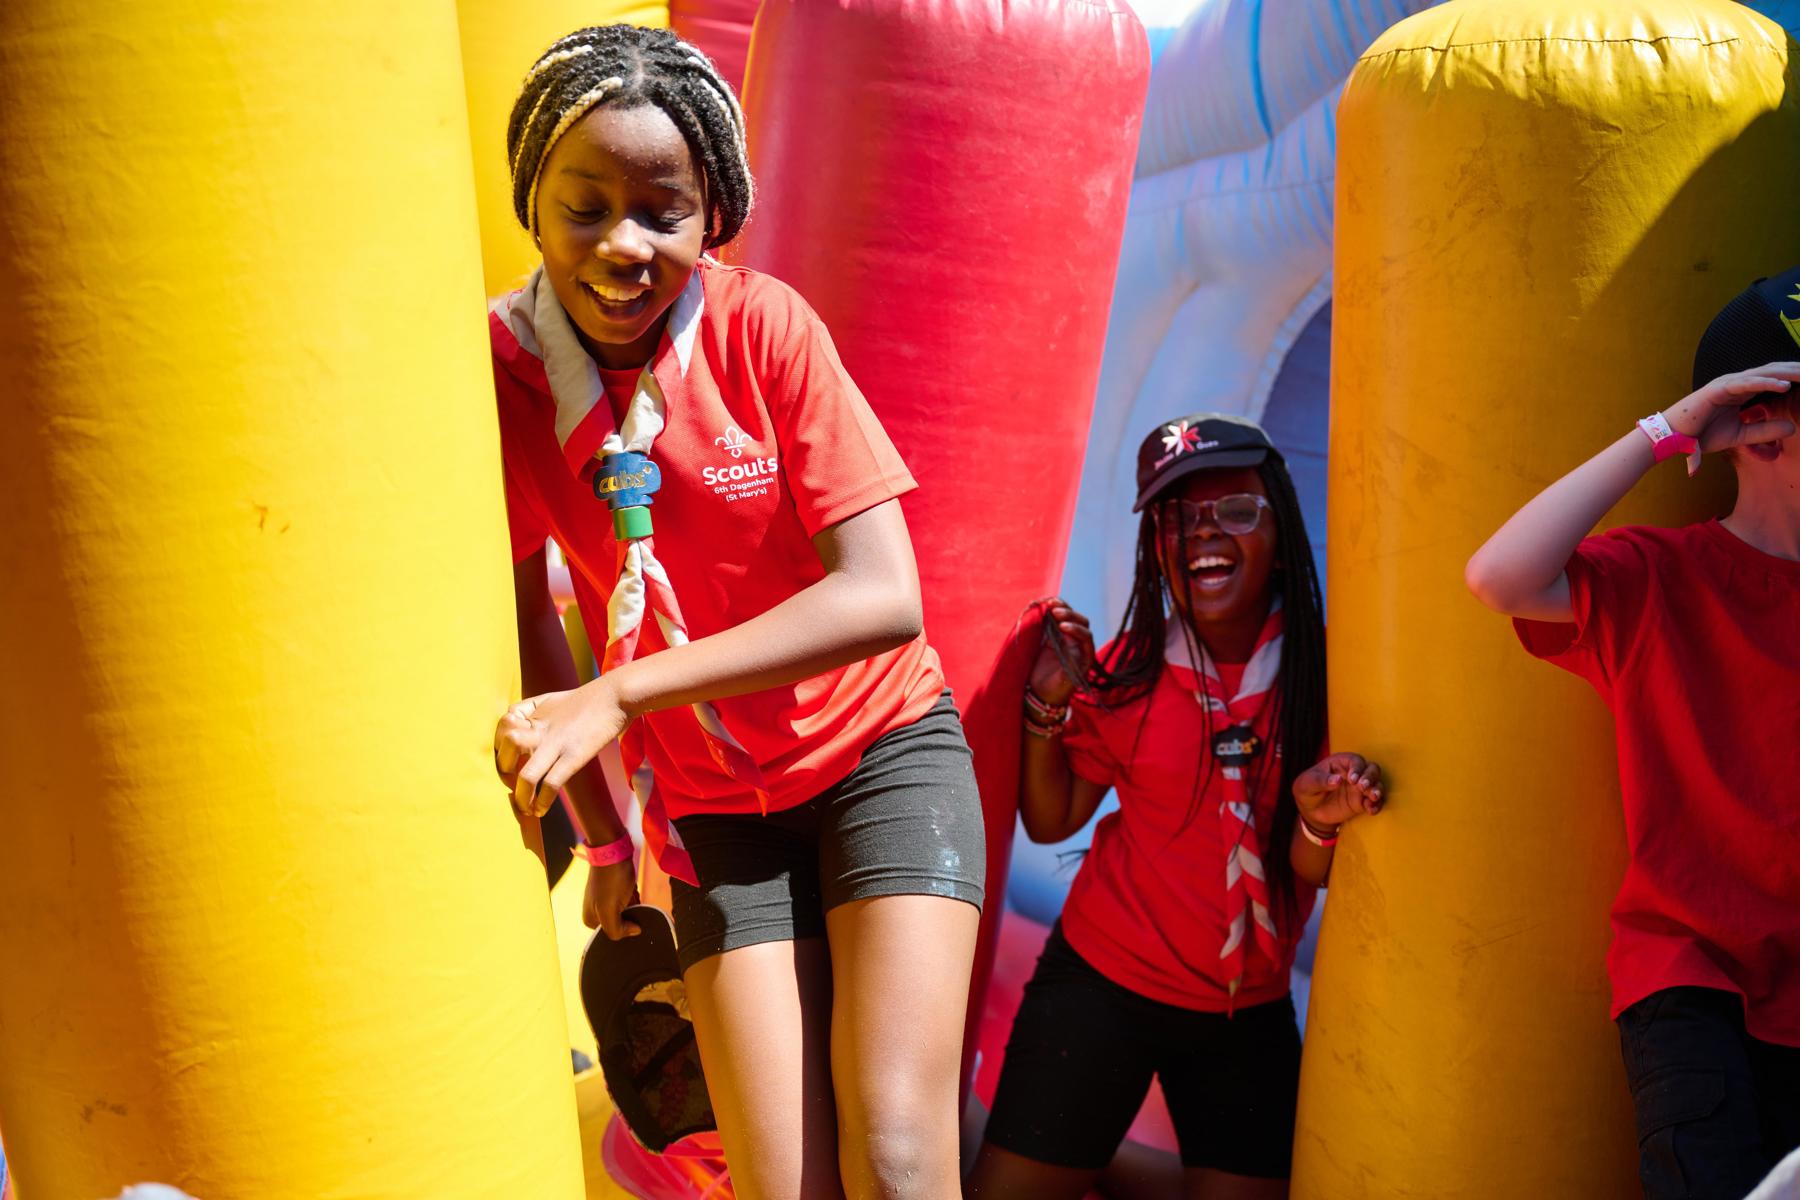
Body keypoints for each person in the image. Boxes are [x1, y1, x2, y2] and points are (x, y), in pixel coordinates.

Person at [484, 27, 984, 1199]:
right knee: (778, 1184)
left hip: (879, 757)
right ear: (533, 208)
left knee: (901, 1162)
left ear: (712, 216)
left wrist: (623, 692)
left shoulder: (764, 329)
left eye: (662, 209)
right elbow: (528, 615)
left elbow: (883, 595)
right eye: (585, 206)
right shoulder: (504, 376)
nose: (622, 244)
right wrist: (607, 839)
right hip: (721, 813)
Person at [967, 415, 1386, 1200]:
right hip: (1101, 982)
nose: (1204, 532)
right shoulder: (1132, 670)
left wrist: (1318, 820)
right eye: (1176, 517)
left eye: (1235, 510)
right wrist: (1044, 710)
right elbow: (1052, 822)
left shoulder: (1330, 676)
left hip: (1244, 1013)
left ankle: (1105, 1160)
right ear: (1155, 547)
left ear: (1280, 524)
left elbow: (1309, 871)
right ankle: (1081, 1147)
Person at [1465, 270, 1800, 1200]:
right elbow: (1501, 576)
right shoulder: (1660, 578)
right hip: (1694, 990)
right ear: (1760, 426)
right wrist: (1667, 430)